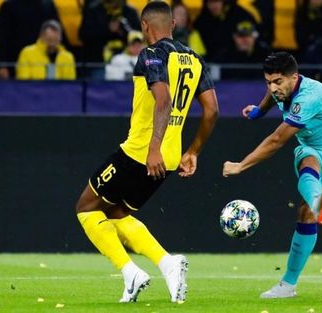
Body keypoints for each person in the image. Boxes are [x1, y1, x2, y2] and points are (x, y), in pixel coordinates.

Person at [75, 1, 219, 303]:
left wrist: (152, 148)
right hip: (169, 158)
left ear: (144, 27)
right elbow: (212, 111)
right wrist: (193, 151)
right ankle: (167, 263)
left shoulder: (151, 55)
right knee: (117, 213)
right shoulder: (194, 59)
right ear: (173, 26)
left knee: (86, 208)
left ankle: (130, 272)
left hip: (141, 151)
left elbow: (163, 101)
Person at [222, 52, 322, 298]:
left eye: (277, 82)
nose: (273, 88)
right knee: (306, 159)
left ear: (294, 78)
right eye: (268, 82)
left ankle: (289, 281)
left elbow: (276, 140)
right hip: (315, 150)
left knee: (306, 207)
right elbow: (271, 97)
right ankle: (288, 286)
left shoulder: (308, 98)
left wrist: (241, 165)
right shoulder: (284, 88)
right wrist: (259, 111)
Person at [0, 0, 62, 79]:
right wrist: (2, 65)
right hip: (14, 60)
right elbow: (2, 38)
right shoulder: (8, 6)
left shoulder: (48, 5)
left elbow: (57, 33)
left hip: (42, 61)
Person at [79, 0, 141, 77]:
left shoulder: (130, 12)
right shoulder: (93, 11)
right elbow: (83, 35)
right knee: (99, 88)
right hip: (99, 63)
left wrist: (122, 32)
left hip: (127, 62)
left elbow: (138, 36)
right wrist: (107, 30)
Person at [193, 0, 257, 61]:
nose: (213, 6)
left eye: (216, 1)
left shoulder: (239, 14)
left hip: (238, 59)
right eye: (210, 2)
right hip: (212, 61)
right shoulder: (201, 22)